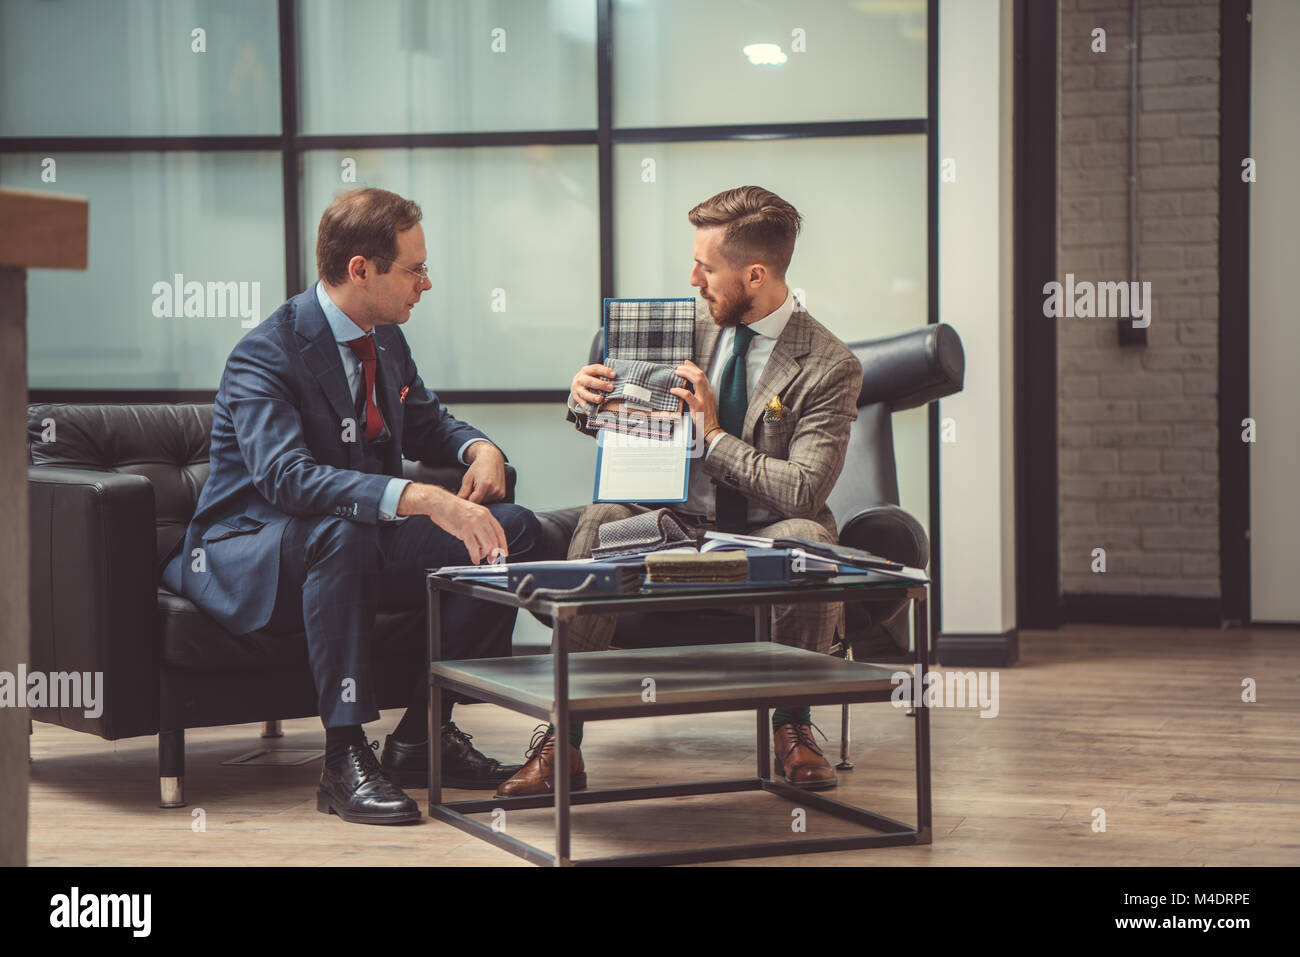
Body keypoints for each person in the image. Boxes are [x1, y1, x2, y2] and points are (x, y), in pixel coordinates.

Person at [163, 187, 540, 825]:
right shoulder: (266, 353)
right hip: (252, 548)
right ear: (361, 269)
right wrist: (420, 497)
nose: (428, 282)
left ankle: (422, 737)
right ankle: (342, 760)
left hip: (357, 537)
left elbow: (429, 425)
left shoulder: (385, 339)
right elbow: (285, 478)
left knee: (512, 531)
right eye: (414, 269)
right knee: (341, 534)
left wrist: (482, 449)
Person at [496, 185, 863, 798]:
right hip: (672, 526)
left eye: (707, 266)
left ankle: (793, 727)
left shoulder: (829, 364)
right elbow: (626, 425)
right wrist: (587, 403)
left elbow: (800, 491)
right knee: (602, 518)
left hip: (763, 531)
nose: (692, 276)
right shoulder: (673, 325)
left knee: (810, 541)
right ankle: (563, 741)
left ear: (755, 273)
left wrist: (713, 436)